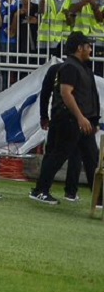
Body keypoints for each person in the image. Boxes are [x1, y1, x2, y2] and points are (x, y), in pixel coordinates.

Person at [30, 32, 100, 205]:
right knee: (58, 156)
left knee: (92, 158)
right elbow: (66, 93)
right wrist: (80, 117)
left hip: (83, 121)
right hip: (70, 120)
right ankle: (40, 190)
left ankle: (98, 198)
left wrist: (92, 120)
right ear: (79, 48)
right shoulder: (69, 67)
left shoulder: (82, 67)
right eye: (88, 46)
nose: (90, 49)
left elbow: (90, 96)